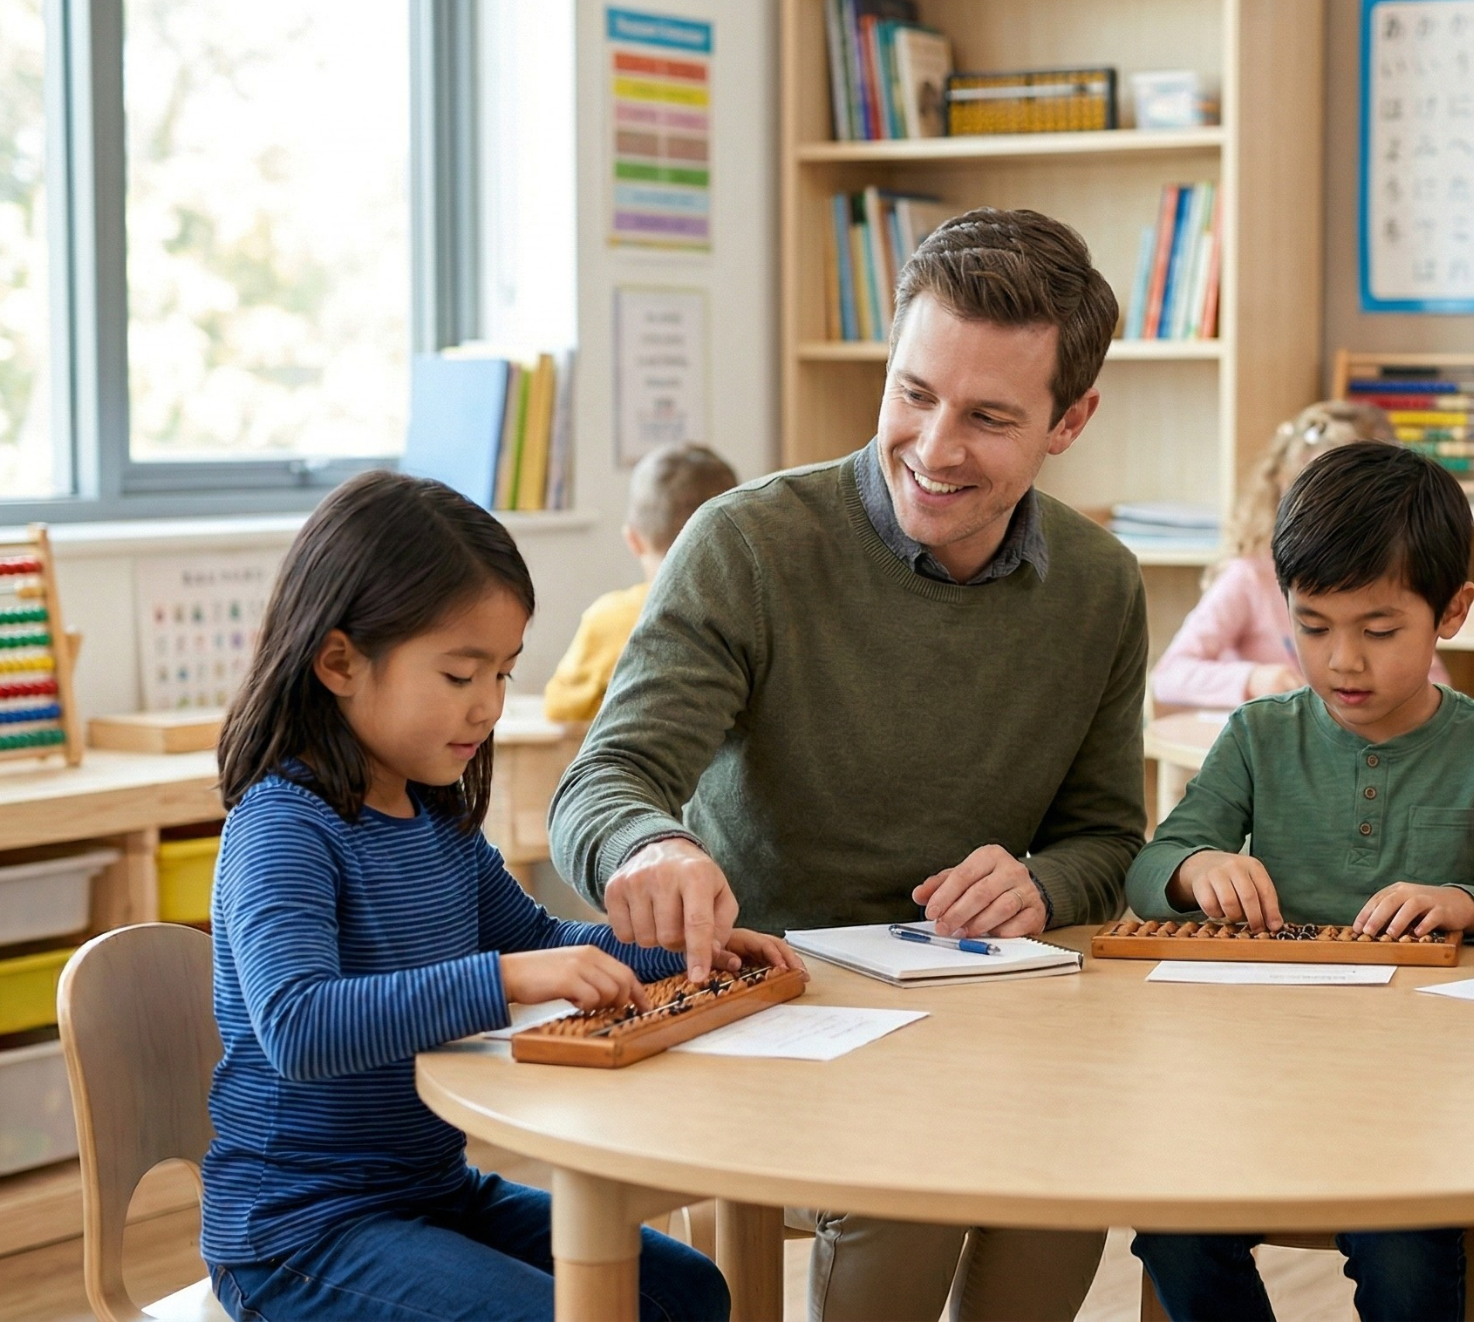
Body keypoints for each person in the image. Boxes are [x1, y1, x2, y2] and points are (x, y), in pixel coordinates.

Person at [549, 208, 1145, 1322]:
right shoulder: (749, 544)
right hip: (773, 998)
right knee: (910, 1171)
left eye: (988, 416)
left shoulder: (1102, 588)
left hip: (991, 1012)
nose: (933, 446)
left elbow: (1108, 838)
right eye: (914, 393)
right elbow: (604, 781)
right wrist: (653, 840)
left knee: (1077, 1159)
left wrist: (1045, 882)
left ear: (1071, 420)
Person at [202, 471, 796, 1322]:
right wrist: (507, 977)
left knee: (687, 1292)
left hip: (432, 1191)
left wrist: (689, 950)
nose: (486, 706)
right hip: (298, 1233)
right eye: (458, 674)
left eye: (504, 675)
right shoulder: (282, 827)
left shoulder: (432, 815)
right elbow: (298, 1023)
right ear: (339, 660)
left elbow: (547, 938)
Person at [1125, 440, 1474, 1321]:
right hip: (1263, 1070)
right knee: (1170, 1223)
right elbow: (1150, 866)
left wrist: (1463, 902)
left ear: (1453, 613)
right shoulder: (1259, 733)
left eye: (1379, 630)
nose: (1342, 662)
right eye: (1313, 625)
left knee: (1409, 1263)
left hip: (1422, 1090)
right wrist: (1197, 869)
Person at [1150, 402, 1447, 709]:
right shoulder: (1250, 577)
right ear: (1283, 491)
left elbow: (1435, 685)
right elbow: (1169, 675)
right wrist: (1254, 679)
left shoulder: (1389, 577)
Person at [542, 442, 739, 722]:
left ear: (632, 540)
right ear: (734, 540)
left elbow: (559, 708)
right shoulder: (747, 616)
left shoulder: (611, 618)